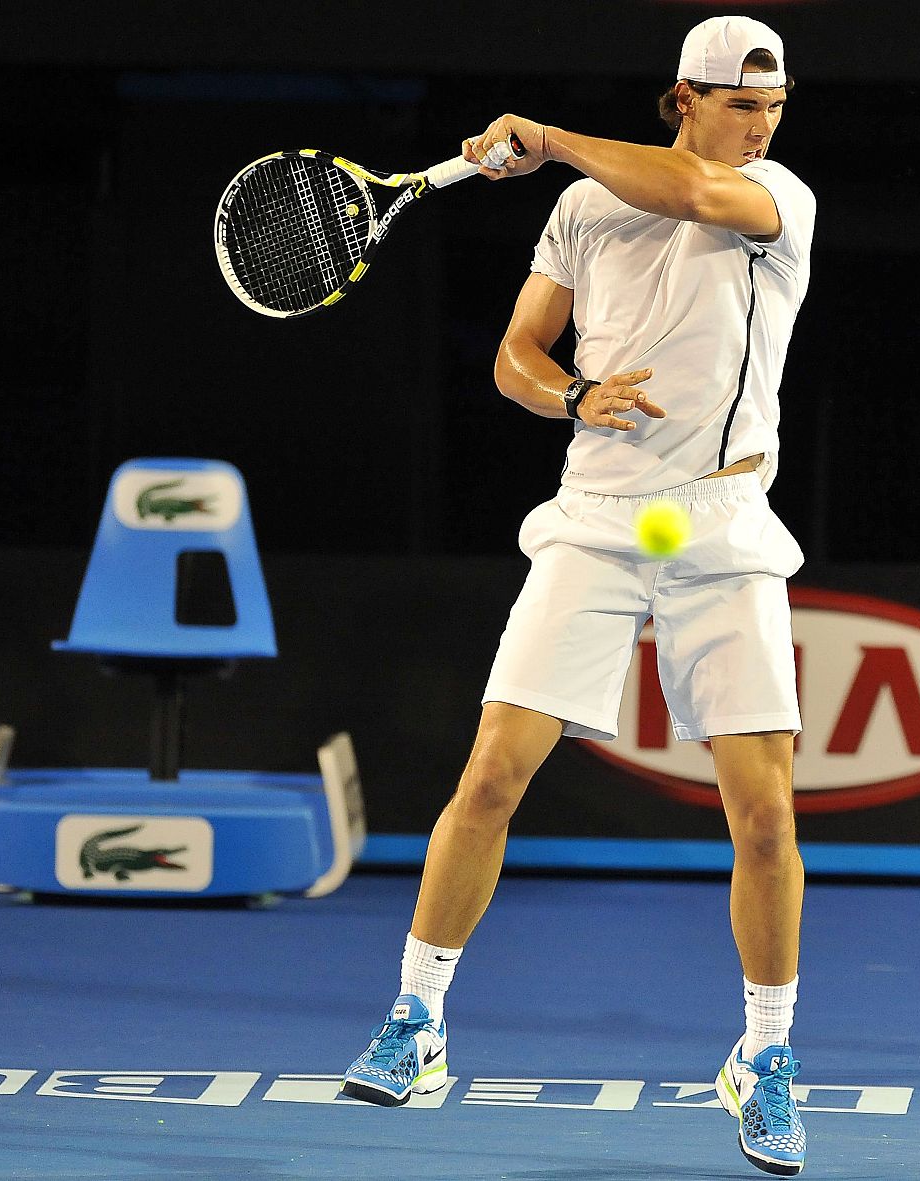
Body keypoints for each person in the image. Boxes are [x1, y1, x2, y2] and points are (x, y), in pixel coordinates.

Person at [339, 15, 815, 1175]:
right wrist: (570, 397)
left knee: (763, 811)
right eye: (739, 103)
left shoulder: (775, 198)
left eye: (773, 103)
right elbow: (515, 355)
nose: (761, 123)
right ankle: (418, 1017)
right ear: (684, 98)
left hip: (721, 521)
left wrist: (545, 135)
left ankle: (764, 1054)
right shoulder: (585, 207)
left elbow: (700, 196)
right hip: (600, 519)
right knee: (493, 770)